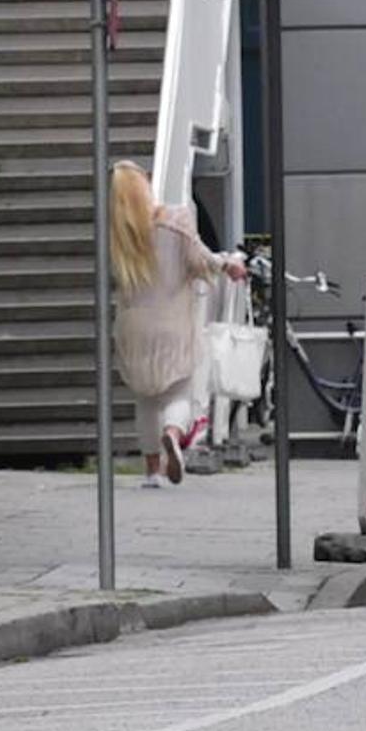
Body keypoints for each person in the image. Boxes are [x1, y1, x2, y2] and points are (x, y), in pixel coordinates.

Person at [108, 161, 246, 487]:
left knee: (145, 398)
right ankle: (173, 432)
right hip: (172, 323)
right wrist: (229, 264)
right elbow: (202, 258)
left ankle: (152, 471)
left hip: (132, 328)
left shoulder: (120, 236)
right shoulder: (175, 220)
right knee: (180, 391)